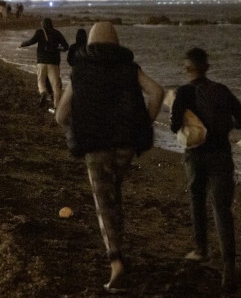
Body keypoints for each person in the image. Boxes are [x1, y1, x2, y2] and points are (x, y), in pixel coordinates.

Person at [55, 22, 164, 293]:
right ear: (116, 43)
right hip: (126, 145)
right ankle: (120, 249)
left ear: (90, 44)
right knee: (114, 193)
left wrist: (78, 124)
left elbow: (60, 115)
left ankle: (116, 262)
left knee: (103, 202)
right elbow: (157, 92)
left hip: (96, 146)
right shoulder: (130, 68)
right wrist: (144, 122)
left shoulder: (80, 72)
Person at [170, 47, 241, 293]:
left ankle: (201, 249)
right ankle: (229, 266)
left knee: (197, 198)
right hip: (221, 154)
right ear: (207, 68)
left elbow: (173, 126)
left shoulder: (183, 93)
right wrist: (226, 126)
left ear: (187, 68)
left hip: (195, 155)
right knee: (222, 208)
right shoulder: (222, 90)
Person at [18, 18, 69, 108]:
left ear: (43, 24)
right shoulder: (57, 33)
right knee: (56, 85)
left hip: (41, 61)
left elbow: (31, 41)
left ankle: (43, 92)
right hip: (53, 62)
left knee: (40, 80)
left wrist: (22, 44)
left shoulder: (39, 32)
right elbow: (66, 46)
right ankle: (56, 106)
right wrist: (58, 48)